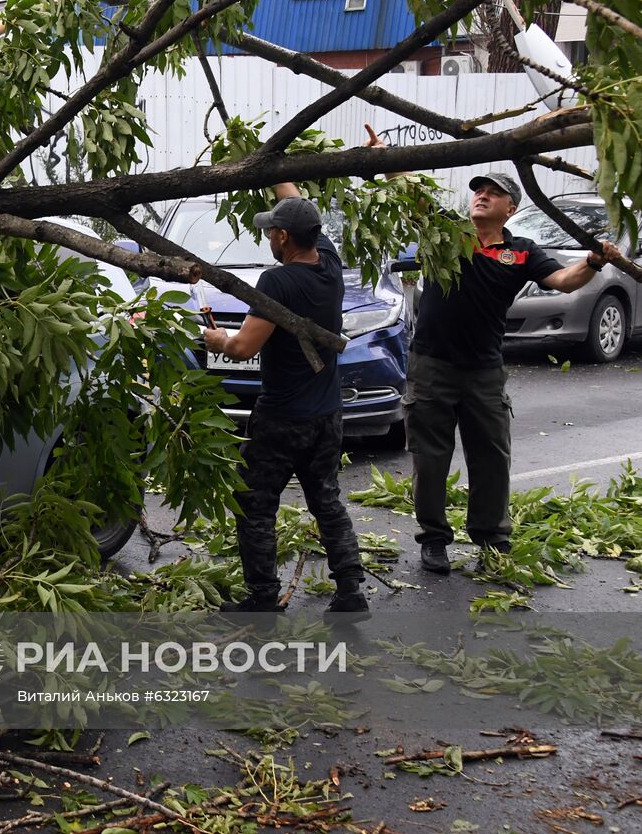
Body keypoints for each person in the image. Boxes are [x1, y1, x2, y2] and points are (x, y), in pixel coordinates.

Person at [383, 162, 622, 573]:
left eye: (493, 192)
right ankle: (434, 539)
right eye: (478, 190)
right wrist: (387, 162)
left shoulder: (523, 250)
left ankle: (492, 538)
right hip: (431, 365)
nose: (482, 195)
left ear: (509, 208)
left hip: (485, 371)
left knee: (492, 457)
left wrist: (595, 261)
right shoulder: (448, 235)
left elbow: (565, 280)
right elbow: (414, 200)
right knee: (430, 458)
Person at [202, 187, 368, 621]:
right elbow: (297, 197)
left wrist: (215, 338)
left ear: (281, 237)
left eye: (271, 231)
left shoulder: (277, 281)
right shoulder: (329, 264)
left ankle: (262, 597)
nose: (268, 238)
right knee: (327, 500)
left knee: (255, 504)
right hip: (327, 415)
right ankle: (351, 590)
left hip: (281, 418)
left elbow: (241, 348)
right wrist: (274, 170)